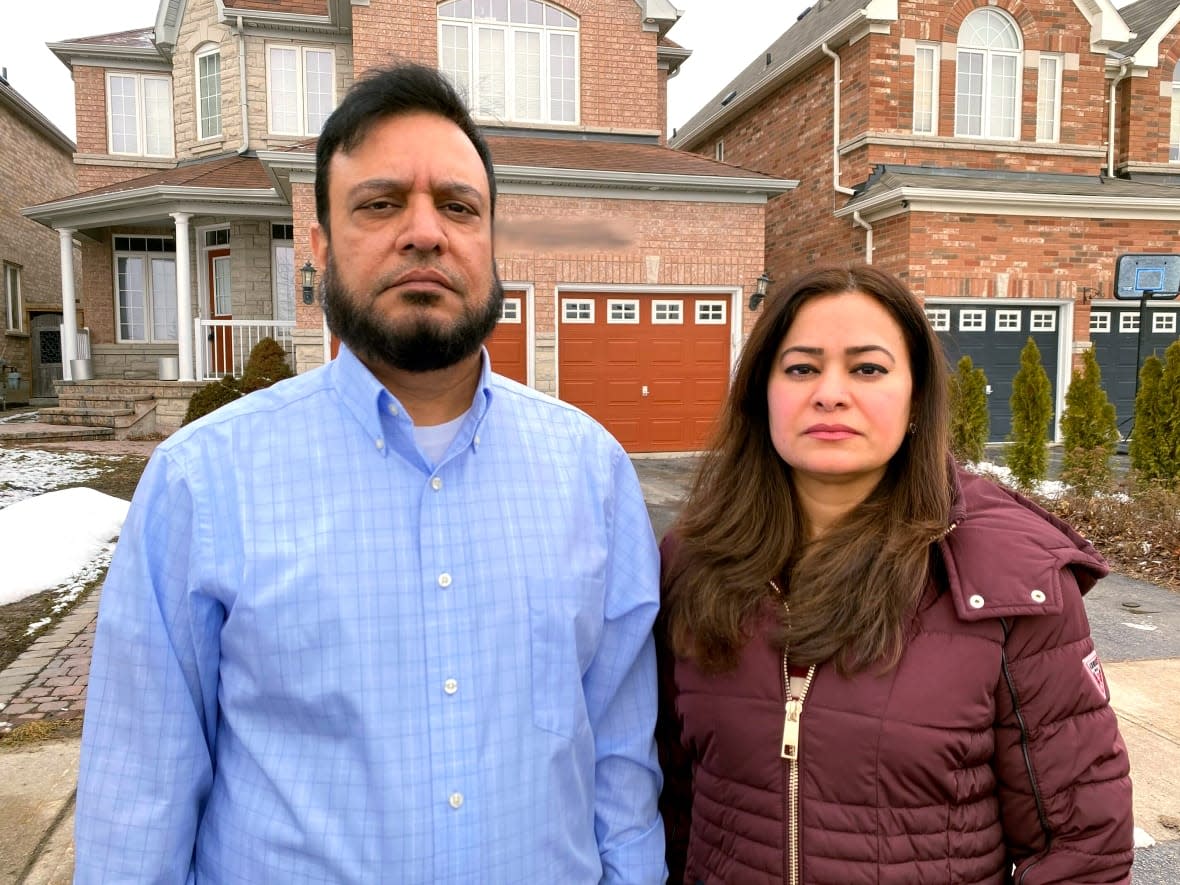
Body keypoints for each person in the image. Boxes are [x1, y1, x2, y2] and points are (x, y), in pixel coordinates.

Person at [74, 63, 665, 883]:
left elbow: (621, 763)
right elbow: (138, 799)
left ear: (491, 243)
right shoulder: (201, 485)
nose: (425, 232)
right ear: (318, 248)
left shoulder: (591, 475)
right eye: (381, 203)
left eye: (458, 206)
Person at [656, 265, 1134, 884]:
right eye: (801, 367)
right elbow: (665, 799)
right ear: (761, 395)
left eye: (868, 369)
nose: (829, 392)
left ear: (915, 398)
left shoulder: (1010, 581)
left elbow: (1081, 850)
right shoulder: (691, 563)